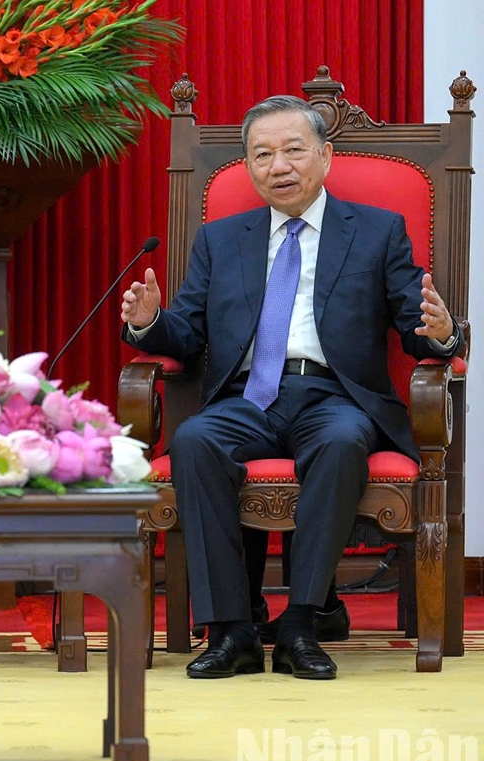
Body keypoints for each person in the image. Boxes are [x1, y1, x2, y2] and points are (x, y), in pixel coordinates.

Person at [120, 95, 459, 680]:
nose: (279, 166)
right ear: (249, 167)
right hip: (245, 399)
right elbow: (187, 332)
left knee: (341, 441)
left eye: (294, 151)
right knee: (196, 441)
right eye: (263, 155)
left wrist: (444, 333)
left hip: (333, 396)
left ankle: (304, 623)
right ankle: (231, 632)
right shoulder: (221, 240)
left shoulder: (377, 232)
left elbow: (416, 327)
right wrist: (149, 322)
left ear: (325, 157)